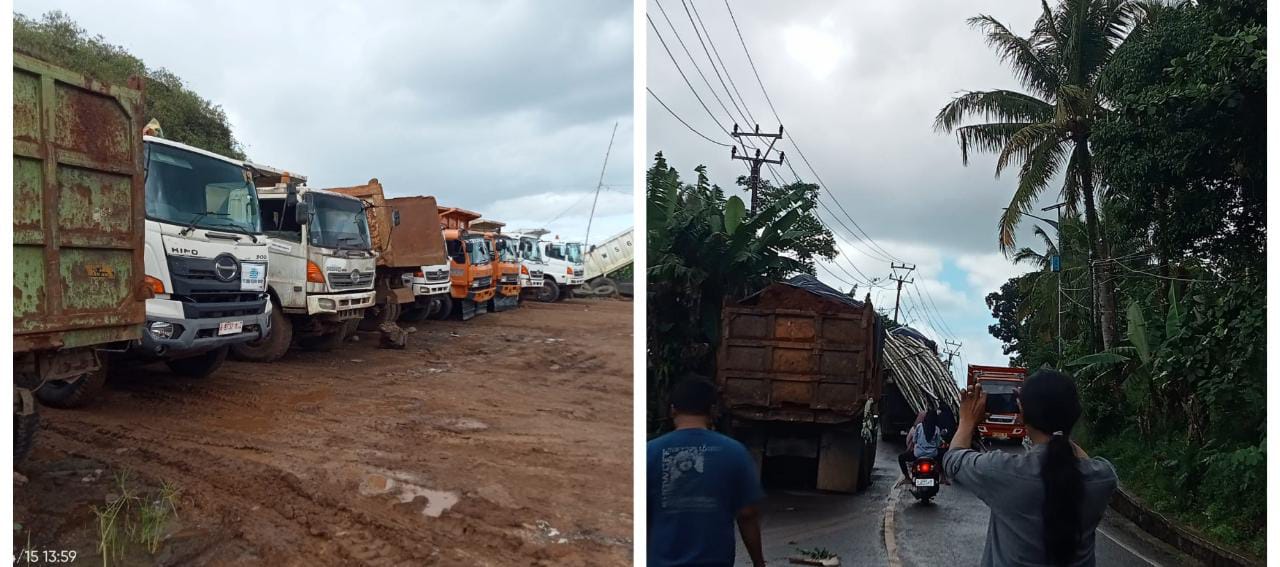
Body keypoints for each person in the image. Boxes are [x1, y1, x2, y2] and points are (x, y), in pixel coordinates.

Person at [943, 370, 1119, 566]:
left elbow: (953, 459)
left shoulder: (1002, 471)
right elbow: (1085, 462)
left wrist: (967, 421)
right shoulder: (1102, 479)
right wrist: (1061, 436)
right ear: (1075, 414)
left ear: (1021, 413)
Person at [647, 375, 766, 567]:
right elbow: (747, 513)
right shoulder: (735, 452)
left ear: (672, 410)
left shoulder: (650, 452)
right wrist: (759, 563)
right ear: (712, 410)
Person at [897, 406, 942, 486]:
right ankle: (943, 478)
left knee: (901, 457)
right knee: (943, 457)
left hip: (918, 454)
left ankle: (907, 477)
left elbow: (914, 440)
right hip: (932, 455)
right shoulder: (936, 429)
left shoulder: (919, 426)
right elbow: (938, 444)